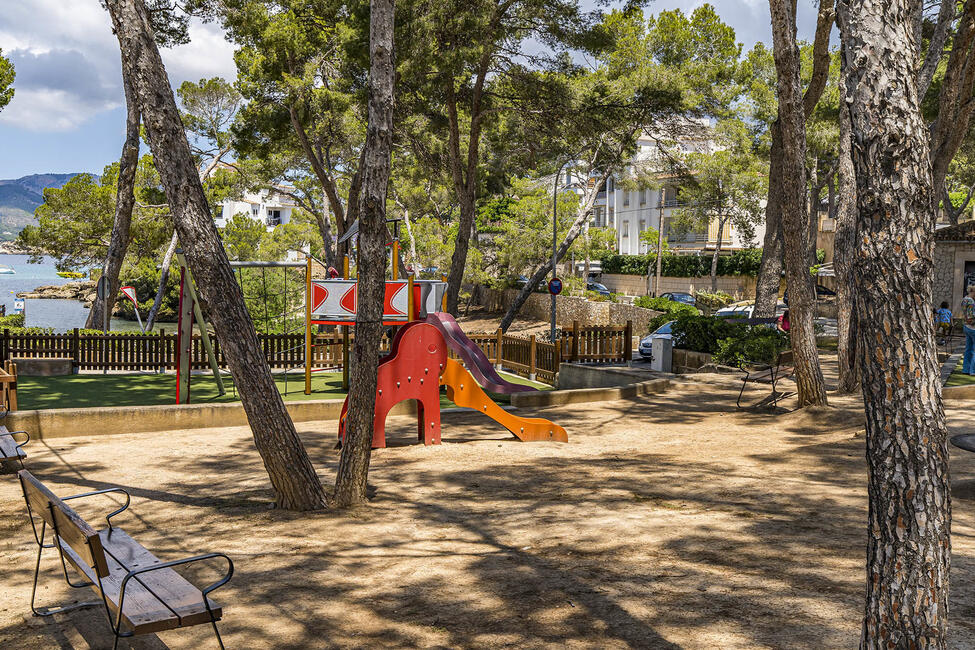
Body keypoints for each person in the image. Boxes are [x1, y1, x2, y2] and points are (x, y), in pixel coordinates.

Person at [962, 287, 975, 375]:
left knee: (968, 349)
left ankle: (966, 369)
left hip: (966, 327)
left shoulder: (964, 299)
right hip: (973, 327)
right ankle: (973, 370)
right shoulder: (971, 301)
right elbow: (971, 317)